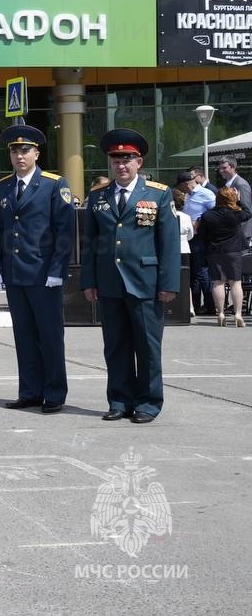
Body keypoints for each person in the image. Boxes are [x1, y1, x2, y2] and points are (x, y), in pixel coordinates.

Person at [81, 129, 180, 424]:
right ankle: (120, 400)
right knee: (115, 345)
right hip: (110, 282)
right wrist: (89, 280)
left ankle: (148, 402)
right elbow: (90, 242)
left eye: (127, 159)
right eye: (116, 160)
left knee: (147, 346)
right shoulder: (98, 195)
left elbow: (169, 242)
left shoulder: (158, 193)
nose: (121, 165)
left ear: (139, 161)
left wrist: (169, 283)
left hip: (146, 282)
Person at [0, 125, 75, 414]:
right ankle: (29, 391)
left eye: (25, 150)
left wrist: (57, 270)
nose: (19, 155)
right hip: (15, 273)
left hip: (43, 274)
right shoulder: (3, 185)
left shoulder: (54, 184)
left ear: (37, 153)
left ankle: (54, 393)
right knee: (23, 336)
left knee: (49, 336)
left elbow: (64, 231)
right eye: (14, 151)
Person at [197, 186, 250, 327]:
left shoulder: (208, 215)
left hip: (214, 251)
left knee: (218, 282)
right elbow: (248, 213)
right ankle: (238, 314)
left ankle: (220, 313)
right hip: (234, 251)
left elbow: (201, 235)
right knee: (236, 283)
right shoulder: (236, 214)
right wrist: (239, 200)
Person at [180, 169, 217, 316]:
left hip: (200, 237)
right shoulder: (189, 195)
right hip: (191, 236)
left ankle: (210, 305)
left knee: (201, 271)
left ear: (186, 184)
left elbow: (215, 212)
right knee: (193, 272)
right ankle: (194, 305)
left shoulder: (206, 193)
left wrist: (200, 221)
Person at [215, 156, 252, 248]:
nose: (221, 171)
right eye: (220, 168)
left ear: (233, 167)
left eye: (224, 168)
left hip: (241, 233)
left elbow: (245, 210)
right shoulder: (228, 183)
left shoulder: (241, 184)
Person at [172, 188, 195, 318]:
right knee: (186, 280)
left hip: (172, 250)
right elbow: (191, 235)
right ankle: (190, 307)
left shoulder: (167, 215)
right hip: (184, 249)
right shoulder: (186, 217)